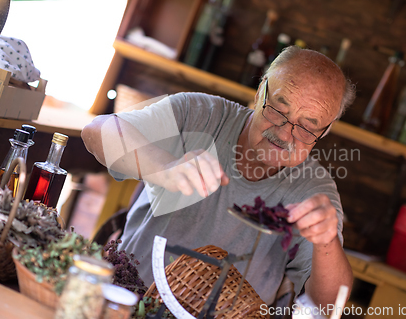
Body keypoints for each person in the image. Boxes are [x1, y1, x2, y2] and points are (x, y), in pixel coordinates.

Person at [81, 46, 355, 309]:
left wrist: (326, 241)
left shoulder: (314, 190)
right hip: (125, 299)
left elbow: (329, 305)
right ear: (261, 91)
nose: (285, 134)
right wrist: (165, 167)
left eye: (307, 128)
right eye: (278, 111)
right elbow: (96, 131)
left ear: (326, 130)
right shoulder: (200, 114)